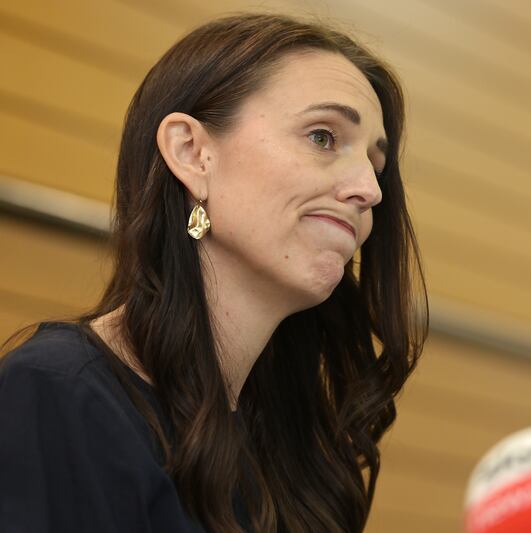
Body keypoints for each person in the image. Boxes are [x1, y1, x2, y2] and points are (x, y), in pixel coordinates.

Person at [0, 12, 427, 533]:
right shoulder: (57, 396)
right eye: (322, 137)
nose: (370, 189)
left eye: (376, 166)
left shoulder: (292, 457)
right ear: (192, 153)